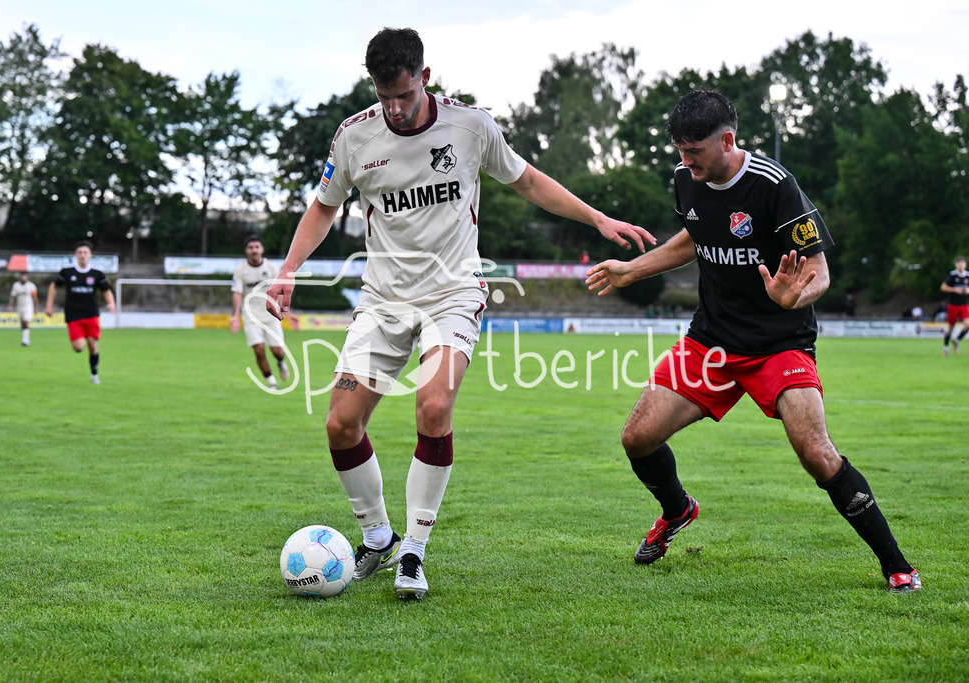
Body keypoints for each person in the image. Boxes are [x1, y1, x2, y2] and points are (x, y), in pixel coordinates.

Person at [266, 27, 654, 600]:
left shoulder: (471, 127)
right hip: (383, 301)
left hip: (454, 293)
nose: (394, 108)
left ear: (425, 77)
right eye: (383, 95)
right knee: (341, 424)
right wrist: (289, 268)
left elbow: (527, 181)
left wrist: (596, 219)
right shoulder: (353, 137)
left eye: (403, 93)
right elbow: (323, 208)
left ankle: (414, 553)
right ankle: (377, 535)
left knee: (434, 402)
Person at [586, 88, 919, 593]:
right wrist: (633, 271)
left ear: (727, 139)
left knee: (816, 454)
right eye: (679, 149)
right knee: (637, 437)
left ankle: (897, 565)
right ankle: (677, 511)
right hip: (711, 342)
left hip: (780, 343)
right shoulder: (686, 179)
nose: (685, 160)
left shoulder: (774, 184)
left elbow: (821, 270)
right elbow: (695, 237)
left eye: (695, 150)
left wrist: (797, 295)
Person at [45, 241, 116, 384]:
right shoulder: (67, 272)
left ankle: (94, 374)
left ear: (90, 255)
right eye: (80, 253)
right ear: (75, 255)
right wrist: (49, 305)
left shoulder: (97, 274)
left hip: (91, 313)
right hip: (73, 314)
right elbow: (54, 287)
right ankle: (83, 343)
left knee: (93, 344)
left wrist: (111, 303)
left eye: (85, 253)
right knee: (78, 347)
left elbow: (106, 290)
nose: (83, 255)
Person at [231, 235, 292, 388]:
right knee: (258, 349)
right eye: (250, 248)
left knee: (277, 351)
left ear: (262, 249)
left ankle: (280, 362)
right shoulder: (240, 270)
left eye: (257, 247)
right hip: (250, 316)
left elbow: (279, 291)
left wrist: (288, 312)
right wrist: (234, 316)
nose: (254, 250)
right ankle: (272, 382)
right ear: (246, 250)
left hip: (270, 314)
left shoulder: (271, 267)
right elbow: (237, 293)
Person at [939, 255, 969, 356]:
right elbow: (943, 287)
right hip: (953, 305)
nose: (961, 265)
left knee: (968, 325)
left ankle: (956, 340)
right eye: (959, 263)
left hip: (964, 305)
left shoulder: (967, 276)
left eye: (963, 263)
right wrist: (955, 289)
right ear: (956, 265)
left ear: (965, 264)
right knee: (951, 327)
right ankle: (946, 347)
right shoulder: (952, 275)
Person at [8, 271, 39, 346]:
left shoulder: (31, 286)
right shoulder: (16, 285)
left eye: (25, 276)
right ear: (20, 277)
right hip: (19, 307)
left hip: (28, 307)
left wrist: (36, 308)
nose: (23, 277)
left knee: (26, 322)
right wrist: (10, 306)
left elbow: (34, 297)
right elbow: (13, 296)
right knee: (22, 324)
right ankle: (25, 338)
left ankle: (25, 340)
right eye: (22, 276)